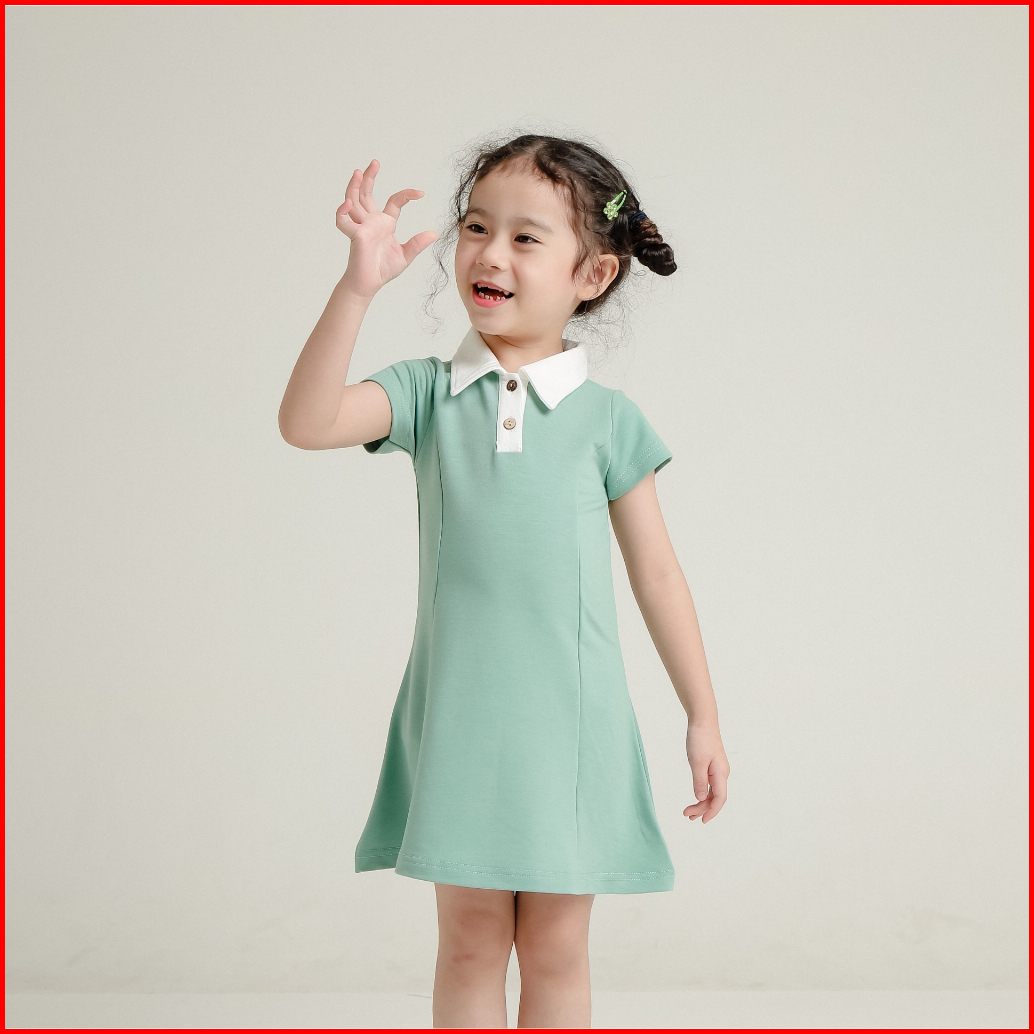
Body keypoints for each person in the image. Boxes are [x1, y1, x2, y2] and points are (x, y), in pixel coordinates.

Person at [278, 134, 730, 1029]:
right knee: (470, 941)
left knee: (557, 947)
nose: (490, 253)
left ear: (592, 274)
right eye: (478, 227)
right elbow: (307, 421)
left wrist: (702, 714)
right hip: (461, 719)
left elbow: (658, 576)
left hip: (573, 724)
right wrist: (357, 289)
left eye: (526, 237)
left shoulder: (608, 421)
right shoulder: (426, 394)